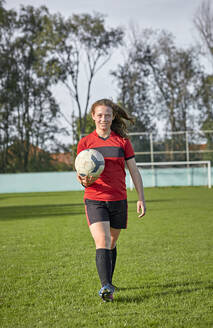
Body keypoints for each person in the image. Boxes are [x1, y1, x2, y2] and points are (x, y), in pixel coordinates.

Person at [76, 99, 146, 302]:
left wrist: (141, 197)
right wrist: (83, 180)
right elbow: (79, 173)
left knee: (112, 242)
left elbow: (134, 170)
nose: (103, 119)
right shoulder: (85, 143)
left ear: (113, 116)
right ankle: (106, 287)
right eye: (99, 115)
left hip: (118, 199)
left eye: (107, 115)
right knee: (103, 240)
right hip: (94, 198)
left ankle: (109, 281)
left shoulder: (122, 141)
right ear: (93, 116)